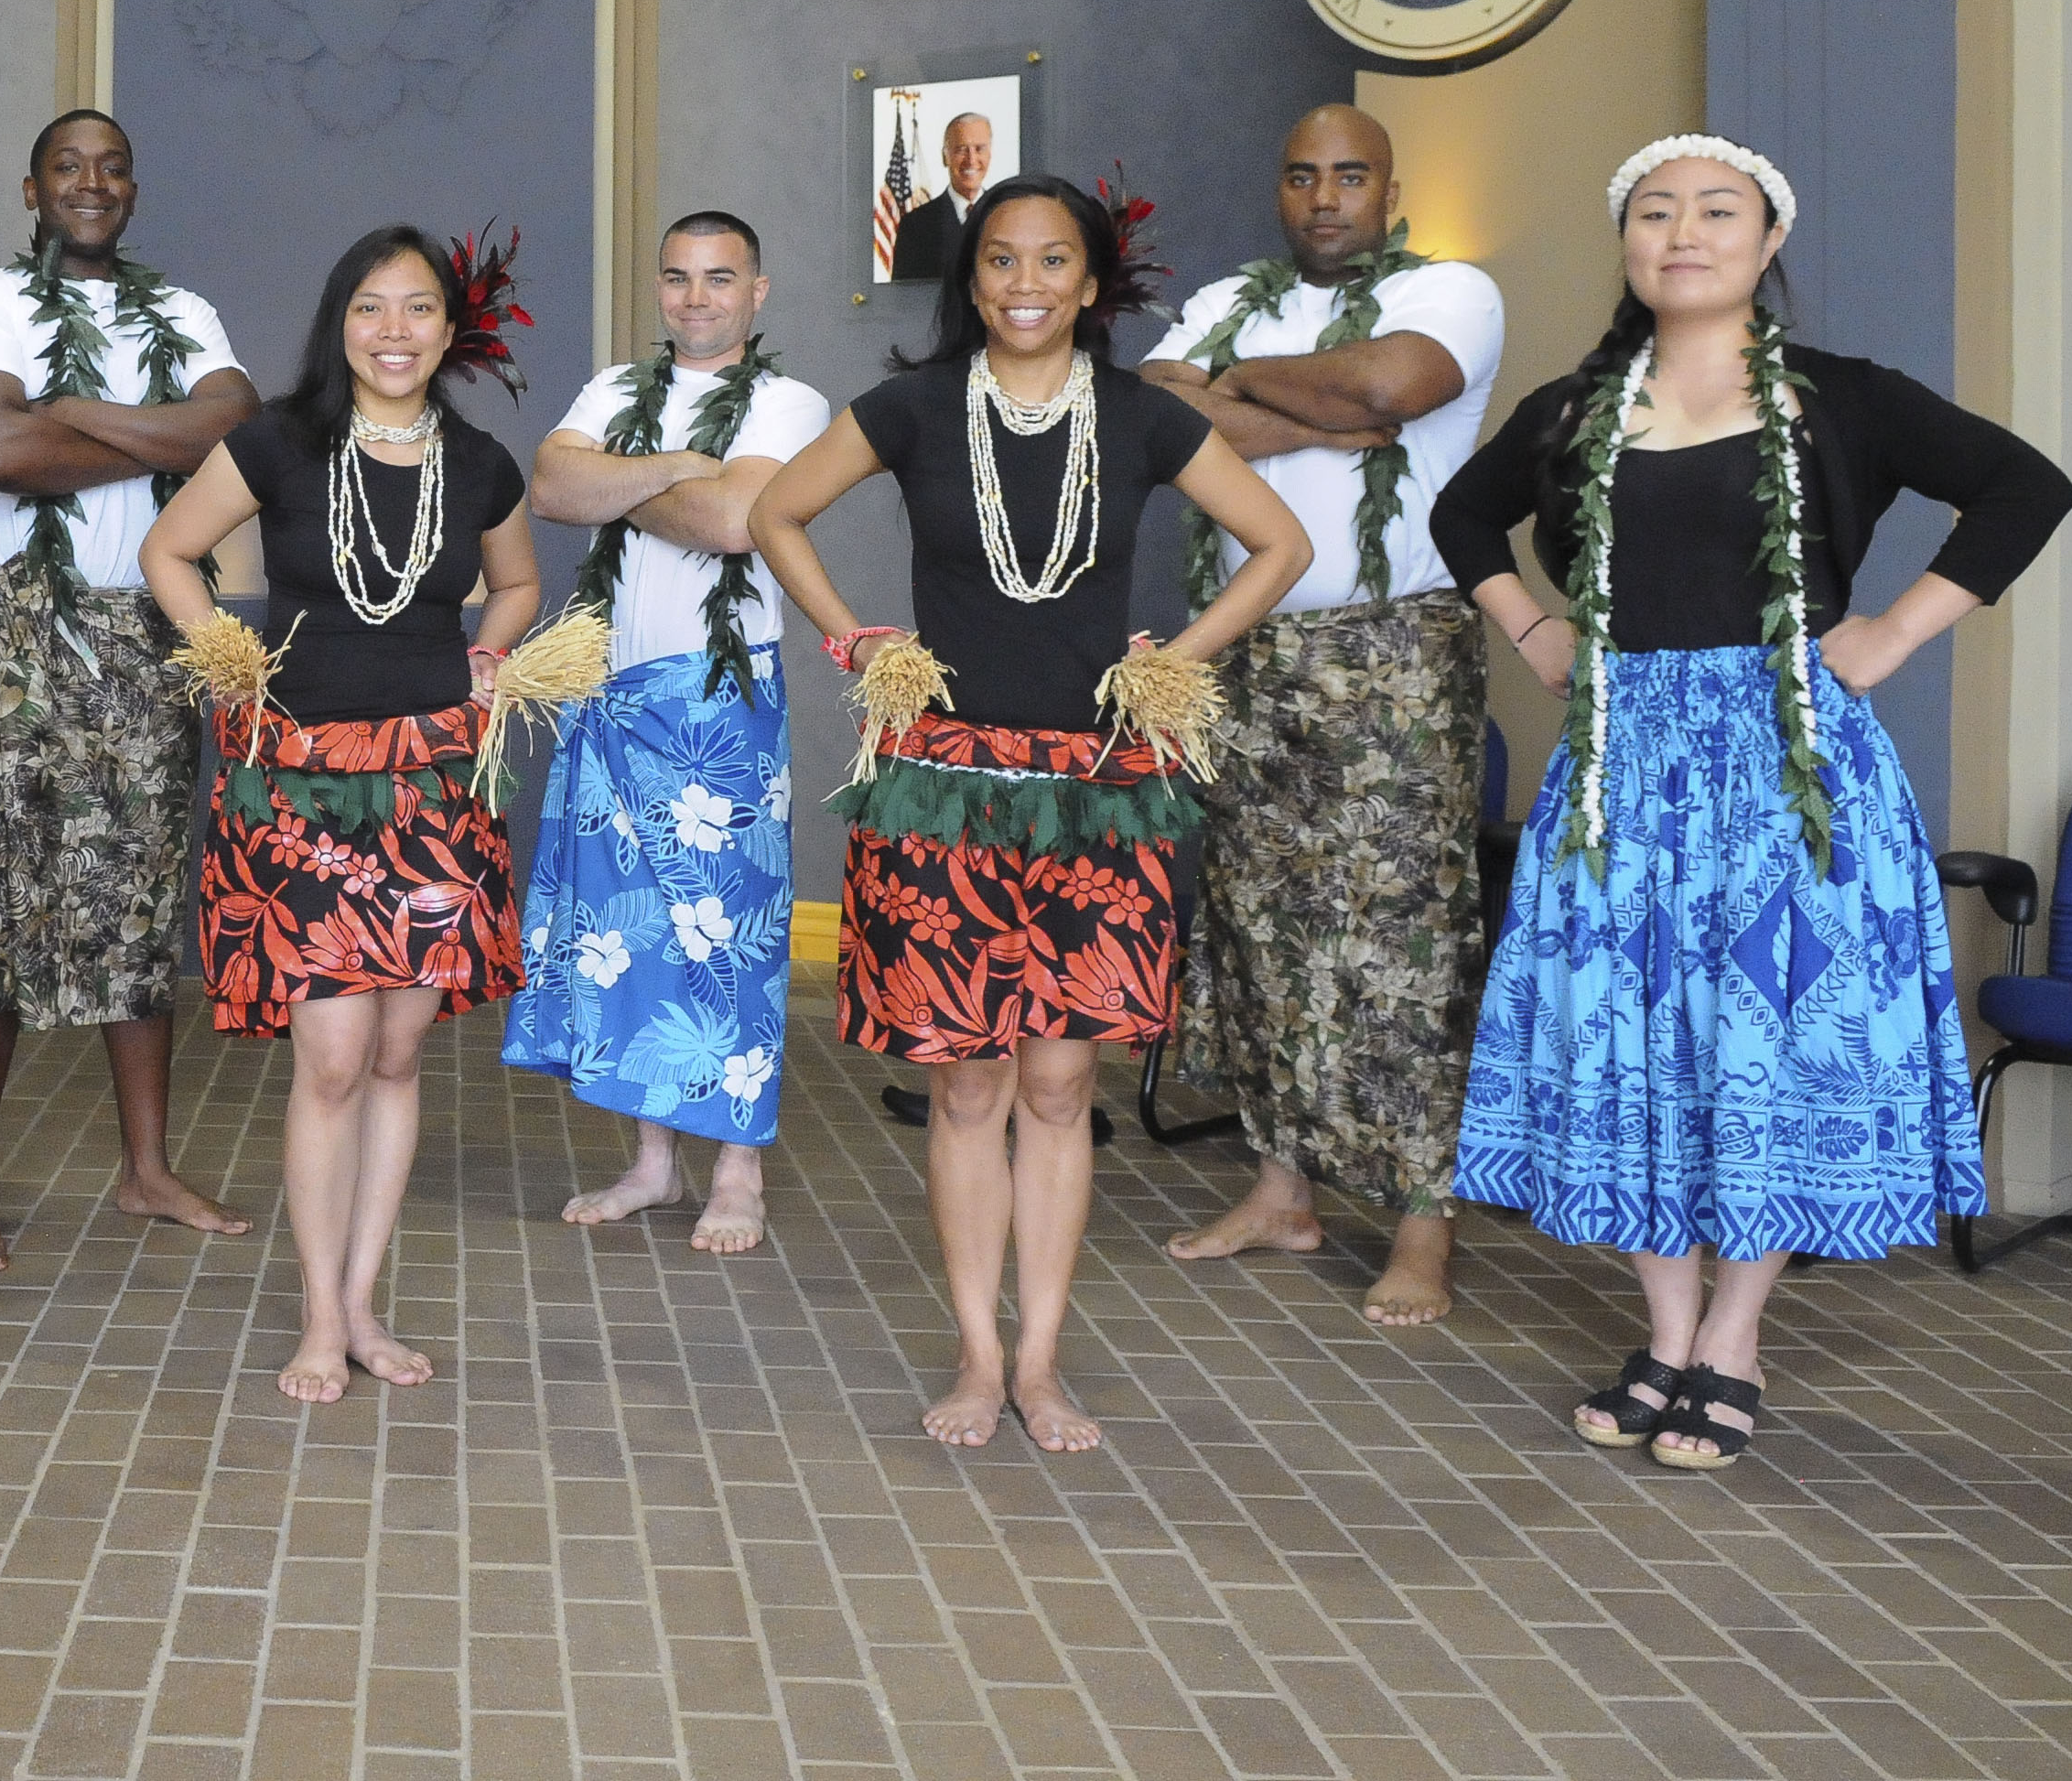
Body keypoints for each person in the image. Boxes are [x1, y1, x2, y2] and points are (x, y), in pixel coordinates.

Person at [1432, 135, 2070, 1473]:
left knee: (1768, 1050)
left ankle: (1735, 1334)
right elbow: (1460, 517)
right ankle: (1664, 1330)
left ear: (1768, 243)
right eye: (1655, 213)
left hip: (1792, 776)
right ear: (1629, 246)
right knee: (1635, 1047)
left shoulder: (1841, 399)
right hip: (1621, 771)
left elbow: (2027, 487)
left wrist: (1894, 630)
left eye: (1718, 212)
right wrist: (1537, 633)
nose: (1684, 233)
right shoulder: (1577, 407)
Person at [751, 176, 1309, 1452]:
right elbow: (776, 512)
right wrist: (854, 644)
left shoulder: (1138, 416)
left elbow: (1279, 544)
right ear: (973, 279)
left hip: (1098, 793)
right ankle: (975, 1351)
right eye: (1000, 259)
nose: (1023, 282)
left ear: (1092, 285)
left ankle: (1044, 1362)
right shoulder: (911, 407)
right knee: (966, 1091)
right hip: (945, 788)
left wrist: (1180, 662)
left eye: (1053, 261)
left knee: (1061, 1088)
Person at [142, 224, 543, 1401]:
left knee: (397, 1050)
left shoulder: (478, 463)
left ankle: (365, 1303)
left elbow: (514, 581)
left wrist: (491, 653)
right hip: (305, 784)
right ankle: (319, 1314)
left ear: (447, 328)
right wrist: (228, 656)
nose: (395, 331)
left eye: (418, 308)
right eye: (371, 307)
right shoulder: (274, 439)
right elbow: (173, 550)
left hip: (428, 783)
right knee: (329, 1054)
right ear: (340, 320)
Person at [1142, 105, 1505, 1325]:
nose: (1325, 197)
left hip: (1396, 652)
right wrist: (1328, 408)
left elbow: (1398, 382)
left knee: (1406, 939)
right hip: (1244, 653)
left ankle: (1422, 1228)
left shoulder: (1452, 289)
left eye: (1351, 175)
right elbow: (1162, 420)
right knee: (1260, 924)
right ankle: (1283, 1189)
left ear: (1390, 192)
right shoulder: (1221, 300)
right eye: (1301, 176)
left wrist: (1247, 391)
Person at [0, 110, 257, 1271]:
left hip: (153, 635)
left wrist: (66, 414)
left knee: (143, 898)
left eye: (110, 168)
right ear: (30, 188)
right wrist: (161, 437)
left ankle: (146, 1169)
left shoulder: (186, 312)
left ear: (133, 191)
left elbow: (237, 429)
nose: (89, 184)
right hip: (17, 629)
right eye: (66, 167)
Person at [505, 212, 833, 1252]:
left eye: (720, 279)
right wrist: (683, 464)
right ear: (659, 287)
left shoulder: (790, 400)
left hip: (719, 700)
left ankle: (739, 1171)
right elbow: (553, 487)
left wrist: (630, 475)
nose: (697, 298)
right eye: (679, 279)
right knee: (631, 929)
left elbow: (737, 524)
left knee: (731, 929)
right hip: (611, 689)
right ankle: (652, 1162)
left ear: (758, 291)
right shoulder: (613, 388)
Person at [883, 109, 997, 287]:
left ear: (990, 154)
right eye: (961, 149)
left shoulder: (1006, 216)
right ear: (945, 157)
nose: (971, 159)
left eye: (979, 149)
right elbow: (903, 300)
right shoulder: (914, 226)